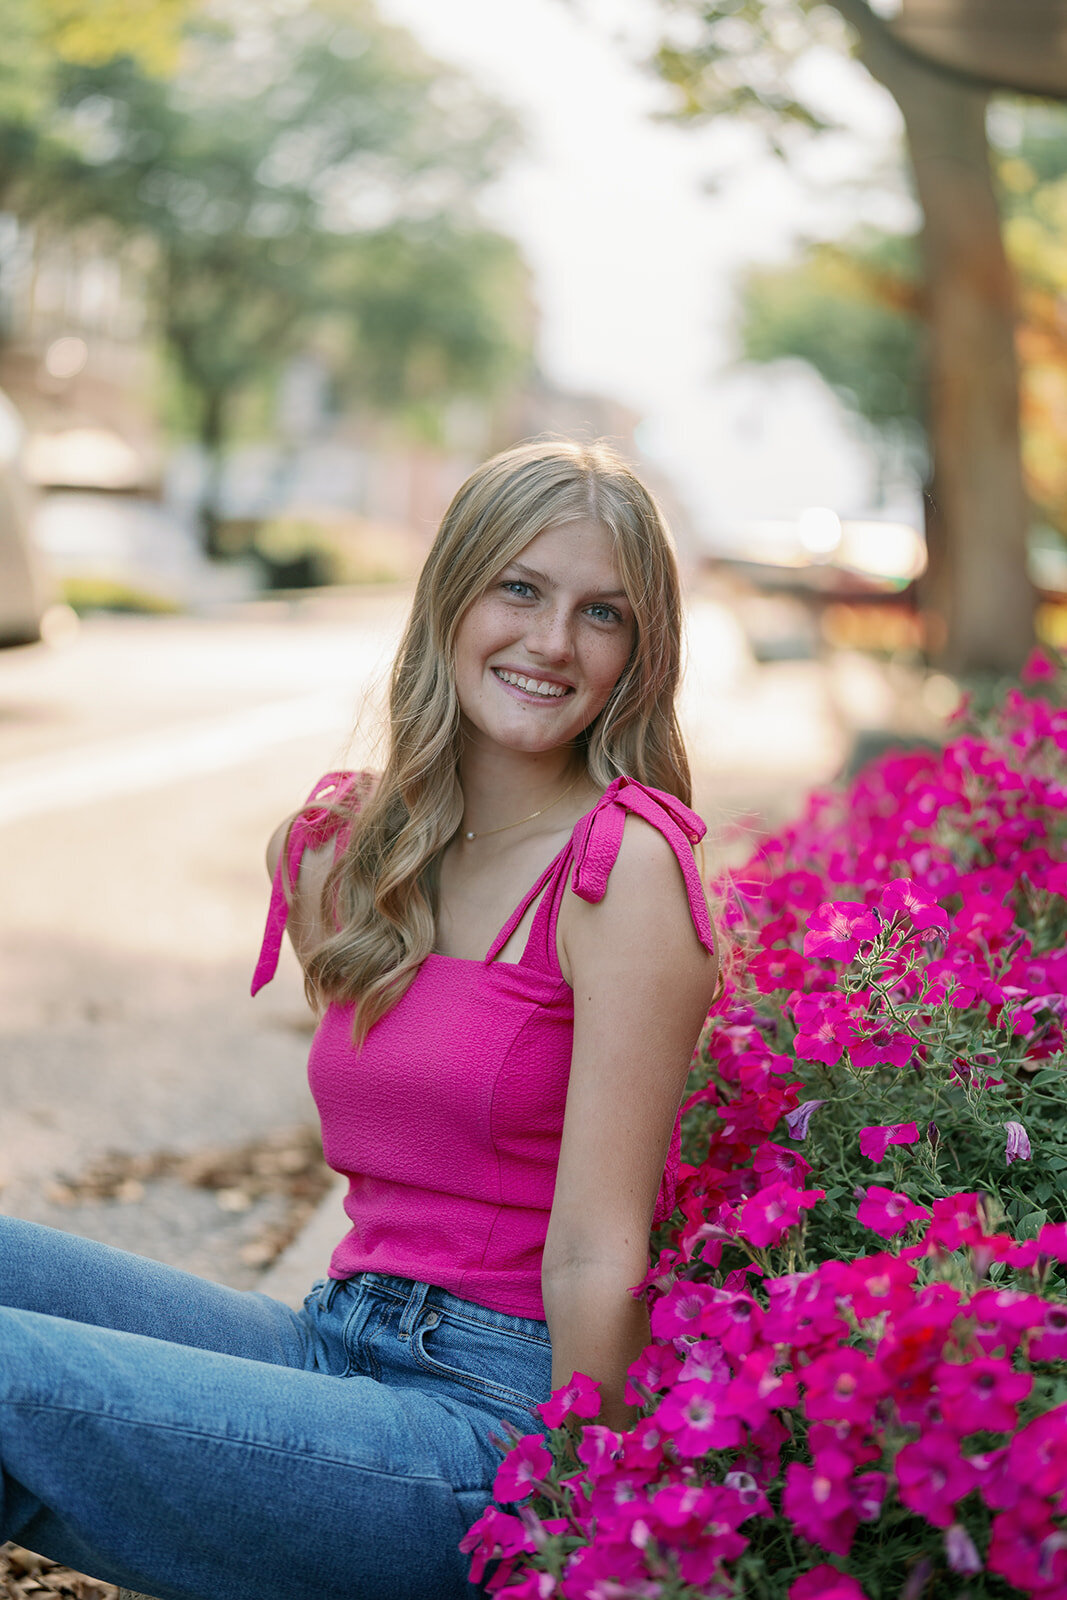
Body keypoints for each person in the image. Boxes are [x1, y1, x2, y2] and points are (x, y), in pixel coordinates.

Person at [0, 439, 718, 1600]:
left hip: (486, 1432)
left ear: (638, 655)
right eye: (519, 588)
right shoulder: (340, 853)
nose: (549, 641)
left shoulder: (620, 872)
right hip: (333, 1339)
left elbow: (597, 1251)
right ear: (451, 595)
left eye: (602, 614)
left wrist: (583, 1534)